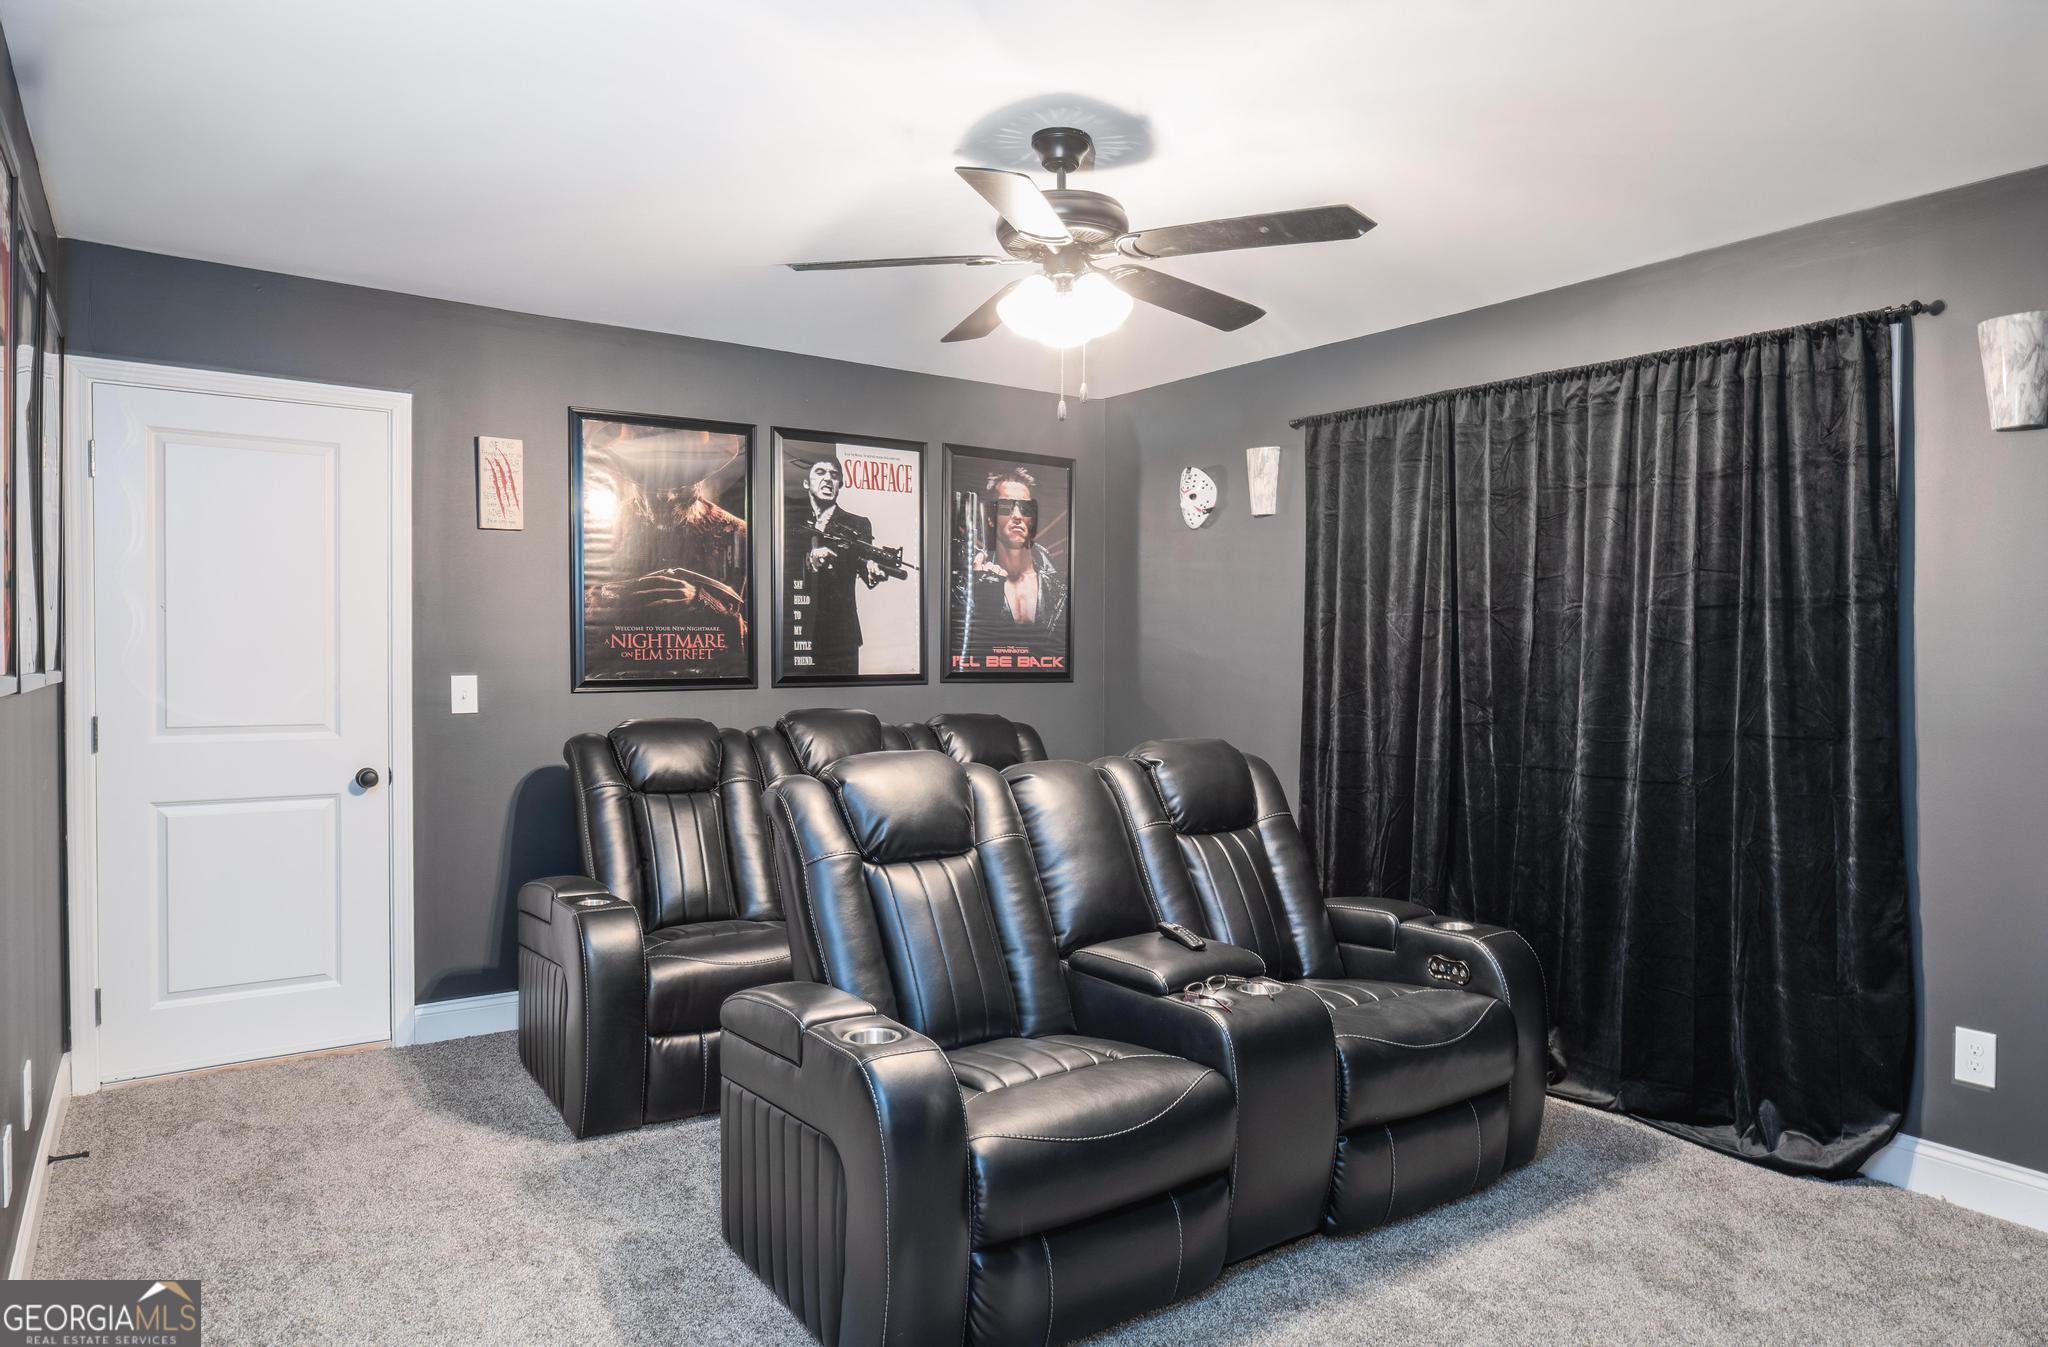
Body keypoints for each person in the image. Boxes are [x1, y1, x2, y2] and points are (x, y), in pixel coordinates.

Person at [958, 465, 1067, 671]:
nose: (1017, 515)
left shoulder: (1059, 587)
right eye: (1007, 506)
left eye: (1025, 508)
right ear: (991, 517)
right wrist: (983, 603)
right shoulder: (970, 584)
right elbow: (963, 658)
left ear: (1032, 518)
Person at [785, 456, 882, 677]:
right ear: (806, 483)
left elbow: (865, 563)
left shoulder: (858, 524)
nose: (828, 478)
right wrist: (810, 559)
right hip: (795, 632)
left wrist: (872, 567)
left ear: (841, 484)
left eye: (834, 475)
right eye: (820, 472)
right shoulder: (787, 523)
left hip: (841, 636)